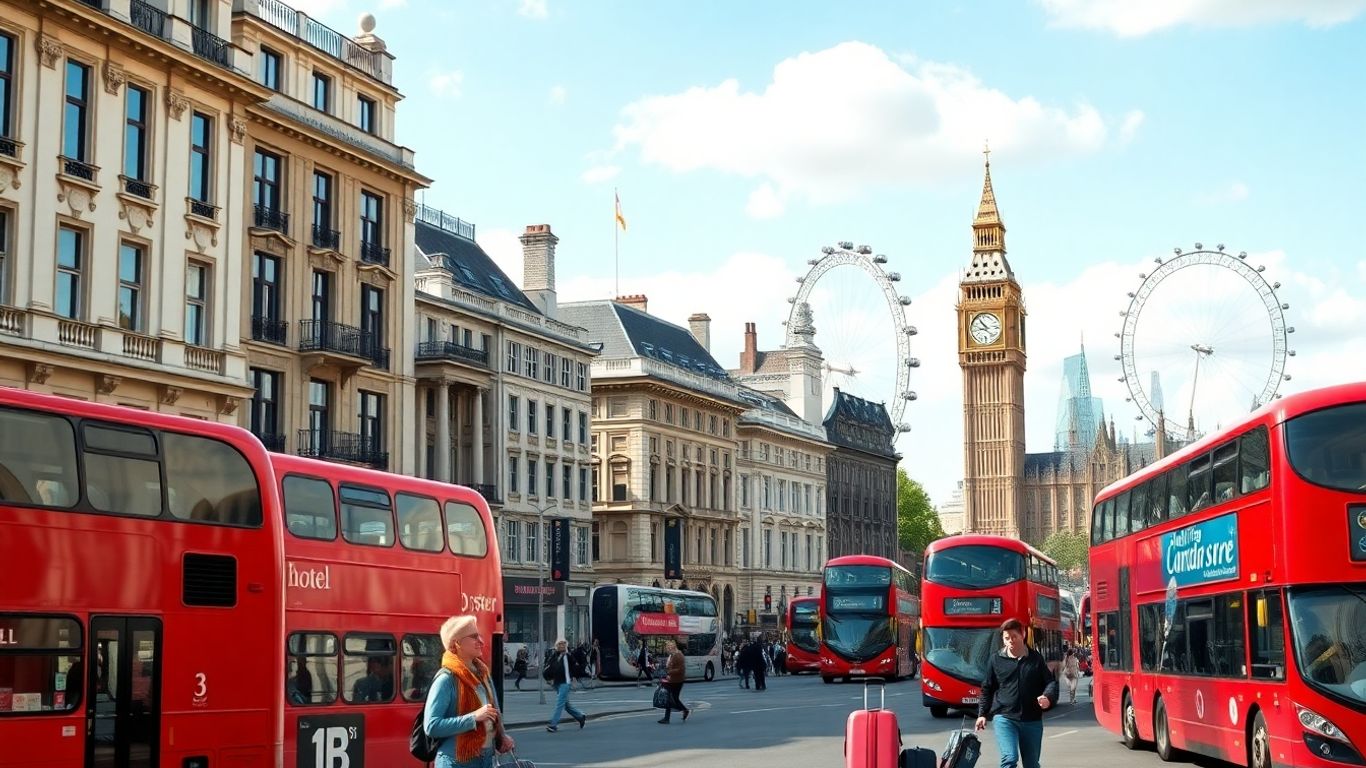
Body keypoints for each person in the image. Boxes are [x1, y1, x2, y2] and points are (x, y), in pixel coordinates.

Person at [423, 615, 515, 768]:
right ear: (457, 643)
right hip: (456, 762)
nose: (481, 641)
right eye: (474, 637)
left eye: (479, 635)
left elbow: (494, 711)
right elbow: (431, 726)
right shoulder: (446, 679)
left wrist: (502, 736)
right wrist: (473, 718)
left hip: (485, 759)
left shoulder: (482, 672)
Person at [975, 618, 1059, 768]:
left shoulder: (1035, 659)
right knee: (1009, 758)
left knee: (1031, 764)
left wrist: (1047, 697)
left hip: (1031, 719)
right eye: (1007, 638)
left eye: (1014, 637)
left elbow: (1050, 682)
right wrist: (982, 714)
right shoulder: (996, 659)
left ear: (1023, 634)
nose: (1011, 641)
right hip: (1004, 717)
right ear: (1003, 639)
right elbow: (987, 688)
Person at [545, 639, 586, 732]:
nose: (562, 646)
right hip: (556, 683)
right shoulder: (555, 656)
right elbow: (550, 668)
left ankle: (553, 725)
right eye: (560, 644)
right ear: (556, 646)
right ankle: (580, 717)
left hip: (565, 683)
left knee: (559, 704)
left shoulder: (569, 656)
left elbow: (576, 667)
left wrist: (575, 677)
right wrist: (549, 679)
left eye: (564, 644)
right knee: (566, 705)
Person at [657, 639, 691, 724]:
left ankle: (669, 717)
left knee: (672, 699)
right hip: (673, 680)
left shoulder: (678, 655)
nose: (667, 649)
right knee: (672, 698)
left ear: (673, 647)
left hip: (677, 681)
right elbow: (670, 666)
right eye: (667, 647)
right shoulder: (673, 655)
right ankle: (681, 712)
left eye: (668, 647)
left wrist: (669, 672)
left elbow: (680, 669)